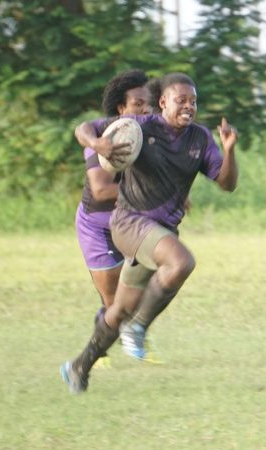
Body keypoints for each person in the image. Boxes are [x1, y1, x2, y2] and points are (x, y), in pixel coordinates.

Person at [61, 72, 239, 394]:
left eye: (193, 101)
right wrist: (96, 142)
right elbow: (83, 128)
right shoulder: (140, 127)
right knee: (181, 262)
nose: (188, 106)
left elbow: (227, 184)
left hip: (160, 229)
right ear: (163, 103)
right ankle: (139, 328)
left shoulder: (199, 139)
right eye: (181, 100)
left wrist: (228, 150)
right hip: (129, 223)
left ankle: (79, 366)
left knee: (120, 309)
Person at [75, 69, 151, 368]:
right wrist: (95, 144)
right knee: (113, 301)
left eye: (150, 103)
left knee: (138, 289)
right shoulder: (106, 135)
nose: (146, 109)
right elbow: (102, 189)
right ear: (121, 108)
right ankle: (100, 350)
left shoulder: (150, 132)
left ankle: (127, 335)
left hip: (128, 222)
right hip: (96, 226)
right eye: (138, 103)